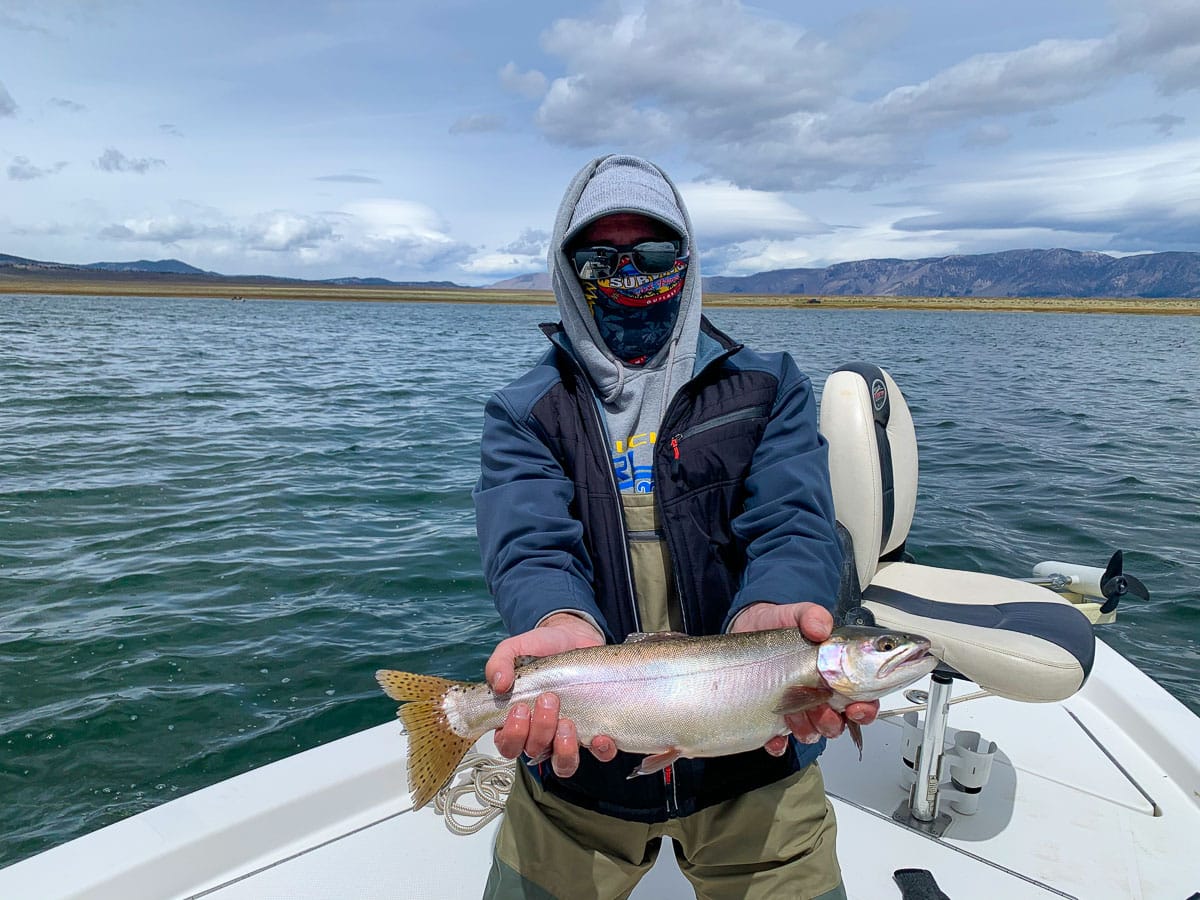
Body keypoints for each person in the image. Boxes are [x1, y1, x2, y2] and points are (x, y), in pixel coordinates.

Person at [472, 154, 877, 900]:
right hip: (582, 773)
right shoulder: (526, 411)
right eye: (602, 257)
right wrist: (557, 620)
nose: (629, 275)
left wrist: (774, 611)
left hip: (759, 764)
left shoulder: (767, 388)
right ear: (568, 268)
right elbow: (529, 543)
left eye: (653, 255)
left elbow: (792, 521)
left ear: (687, 263)